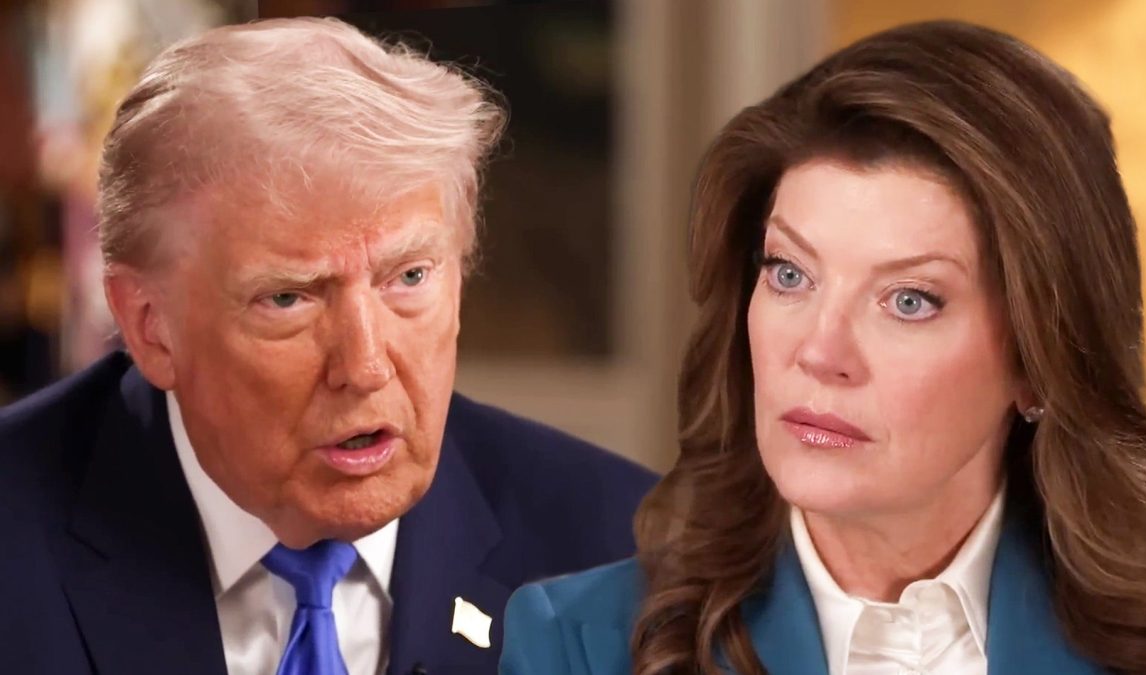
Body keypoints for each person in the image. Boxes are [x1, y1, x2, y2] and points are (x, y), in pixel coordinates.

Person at [500, 20, 1146, 675]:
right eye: (790, 273)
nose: (819, 350)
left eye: (909, 300)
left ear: (1038, 363)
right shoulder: (579, 643)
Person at [0, 17, 656, 675]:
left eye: (409, 277)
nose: (365, 367)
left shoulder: (627, 552)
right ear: (150, 325)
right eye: (289, 298)